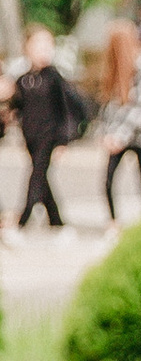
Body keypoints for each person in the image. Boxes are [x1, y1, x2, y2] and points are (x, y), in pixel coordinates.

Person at [7, 29, 82, 229]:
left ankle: (21, 220)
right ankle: (56, 220)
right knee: (41, 176)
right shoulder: (24, 79)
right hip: (31, 136)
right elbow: (18, 105)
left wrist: (64, 140)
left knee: (36, 176)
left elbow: (68, 108)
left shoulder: (54, 78)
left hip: (49, 136)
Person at [95, 19, 141, 220]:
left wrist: (119, 136)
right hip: (117, 135)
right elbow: (109, 107)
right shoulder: (114, 68)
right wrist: (105, 134)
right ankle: (114, 223)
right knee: (107, 182)